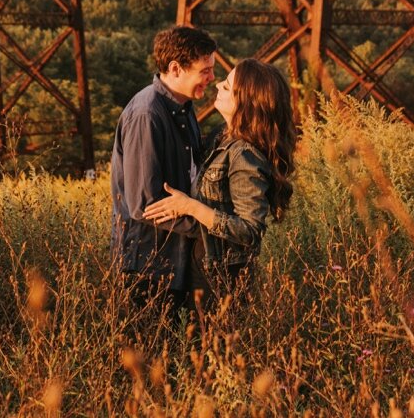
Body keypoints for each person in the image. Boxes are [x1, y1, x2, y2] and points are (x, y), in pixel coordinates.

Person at [141, 58, 297, 303]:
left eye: (226, 86)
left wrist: (190, 207)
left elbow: (250, 230)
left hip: (223, 278)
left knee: (215, 341)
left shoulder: (244, 154)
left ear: (245, 101)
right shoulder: (220, 138)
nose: (217, 86)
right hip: (203, 267)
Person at [110, 25, 218, 315]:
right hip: (148, 267)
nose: (211, 77)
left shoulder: (183, 108)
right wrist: (210, 226)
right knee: (150, 358)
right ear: (175, 68)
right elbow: (144, 205)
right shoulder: (147, 114)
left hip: (175, 261)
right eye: (204, 70)